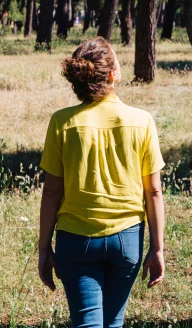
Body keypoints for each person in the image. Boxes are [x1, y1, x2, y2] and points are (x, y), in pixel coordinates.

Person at [38, 36, 166, 328]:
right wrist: (157, 249)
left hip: (75, 240)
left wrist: (44, 248)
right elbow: (154, 191)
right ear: (112, 75)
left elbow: (52, 191)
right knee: (113, 323)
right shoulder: (142, 120)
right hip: (127, 240)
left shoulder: (62, 122)